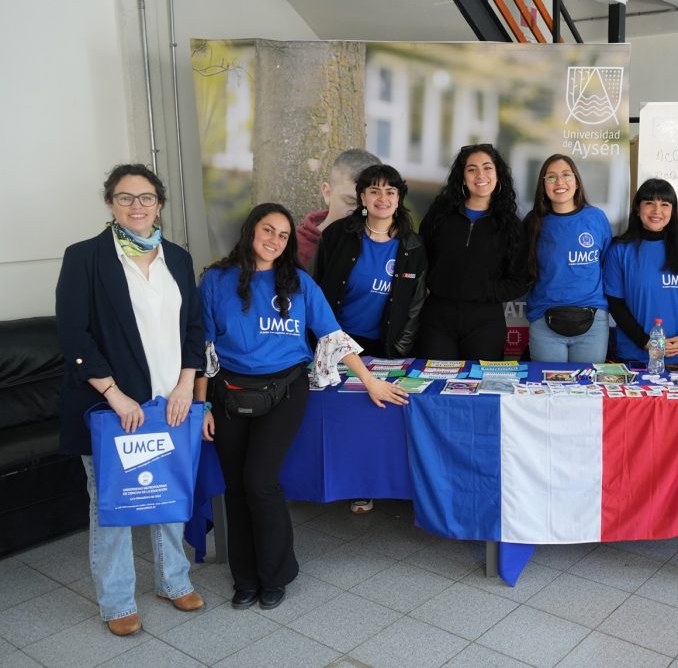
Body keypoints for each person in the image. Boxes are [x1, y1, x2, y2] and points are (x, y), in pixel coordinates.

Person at [195, 203, 408, 610]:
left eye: (283, 235)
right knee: (236, 486)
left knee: (261, 481)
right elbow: (203, 347)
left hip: (285, 390)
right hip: (228, 392)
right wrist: (201, 406)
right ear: (250, 230)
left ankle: (276, 574)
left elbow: (332, 334)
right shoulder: (216, 281)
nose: (274, 240)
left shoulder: (299, 283)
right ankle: (245, 578)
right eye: (267, 230)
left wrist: (369, 380)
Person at [56, 163, 205, 636]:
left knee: (168, 494)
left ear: (159, 204)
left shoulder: (177, 258)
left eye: (145, 198)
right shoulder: (85, 258)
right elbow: (73, 336)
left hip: (171, 403)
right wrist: (115, 395)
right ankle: (117, 601)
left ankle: (172, 579)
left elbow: (195, 328)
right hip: (113, 408)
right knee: (114, 506)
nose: (136, 206)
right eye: (126, 197)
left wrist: (186, 383)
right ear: (110, 204)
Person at [312, 164, 427, 514]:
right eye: (374, 191)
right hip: (341, 342)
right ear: (362, 197)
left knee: (377, 415)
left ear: (398, 198)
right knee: (344, 417)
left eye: (390, 191)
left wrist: (399, 351)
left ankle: (376, 483)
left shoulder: (412, 245)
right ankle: (349, 483)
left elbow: (415, 304)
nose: (382, 198)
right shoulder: (338, 236)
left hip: (385, 346)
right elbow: (318, 292)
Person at [417, 144, 529, 360]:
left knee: (479, 386)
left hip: (485, 320)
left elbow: (520, 280)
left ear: (498, 175)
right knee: (435, 385)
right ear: (462, 176)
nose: (480, 175)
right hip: (438, 318)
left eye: (487, 168)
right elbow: (421, 260)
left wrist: (483, 289)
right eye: (472, 169)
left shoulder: (510, 225)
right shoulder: (439, 216)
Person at [605, 178, 678, 366]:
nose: (657, 211)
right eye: (649, 203)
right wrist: (647, 343)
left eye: (665, 204)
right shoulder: (619, 250)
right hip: (635, 355)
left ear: (672, 211)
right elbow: (616, 305)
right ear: (637, 208)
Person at [523, 154, 612, 363]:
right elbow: (522, 269)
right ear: (543, 184)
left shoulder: (596, 218)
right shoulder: (533, 223)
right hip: (545, 322)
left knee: (587, 390)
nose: (559, 182)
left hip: (592, 323)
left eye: (566, 175)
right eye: (551, 177)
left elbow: (608, 266)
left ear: (577, 181)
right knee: (546, 391)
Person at [297, 149, 382, 268]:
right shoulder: (292, 248)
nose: (359, 212)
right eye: (351, 201)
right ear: (327, 193)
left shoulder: (385, 250)